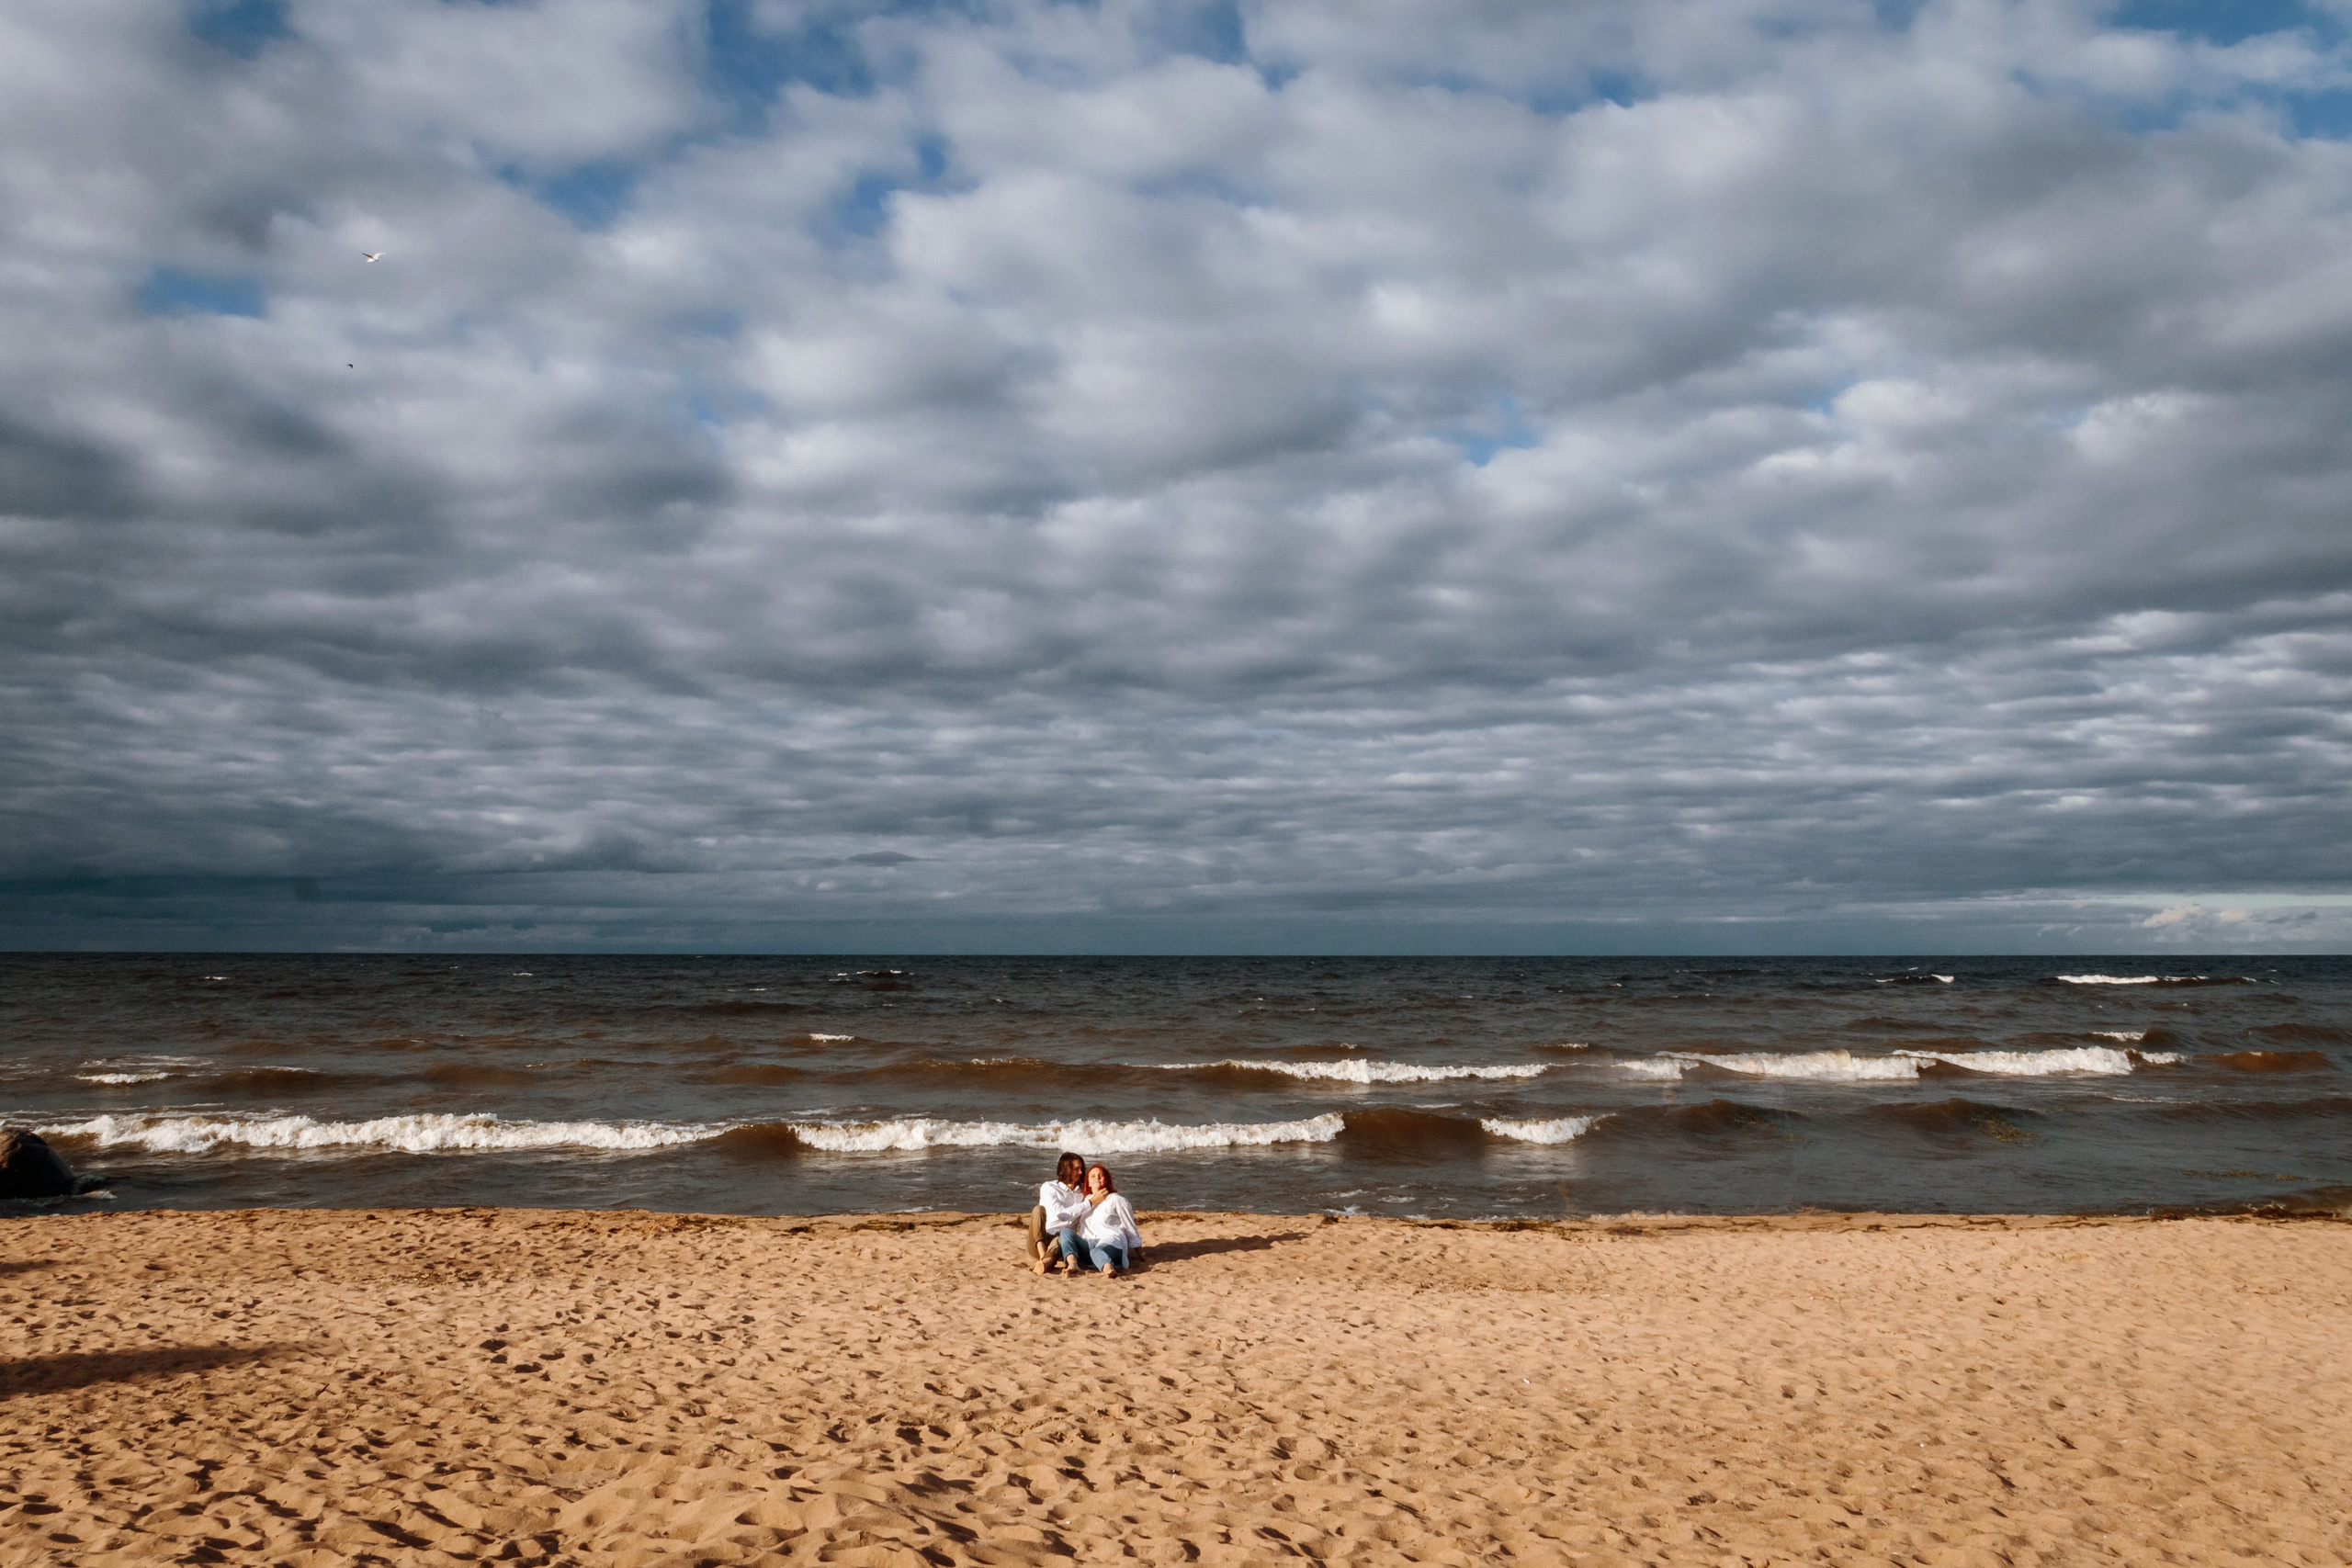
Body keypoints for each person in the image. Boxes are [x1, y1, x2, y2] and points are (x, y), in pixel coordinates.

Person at [1076, 1161, 1144, 1277]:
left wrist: (1140, 1252)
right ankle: (1073, 1264)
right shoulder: (1086, 1202)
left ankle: (1108, 1269)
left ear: (1106, 1180)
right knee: (1066, 1234)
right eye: (1093, 1176)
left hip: (1112, 1243)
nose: (1097, 1178)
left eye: (1100, 1175)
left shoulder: (1116, 1200)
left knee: (1097, 1251)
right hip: (1090, 1246)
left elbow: (1129, 1226)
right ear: (1089, 1183)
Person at [1028, 1152, 1090, 1275]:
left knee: (1064, 1234)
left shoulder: (1084, 1191)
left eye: (1082, 1169)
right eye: (1076, 1169)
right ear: (1066, 1169)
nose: (1081, 1172)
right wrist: (1089, 1203)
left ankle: (1046, 1262)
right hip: (1040, 1240)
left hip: (1064, 1243)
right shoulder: (1049, 1187)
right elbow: (1061, 1215)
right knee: (1038, 1210)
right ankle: (1043, 1257)